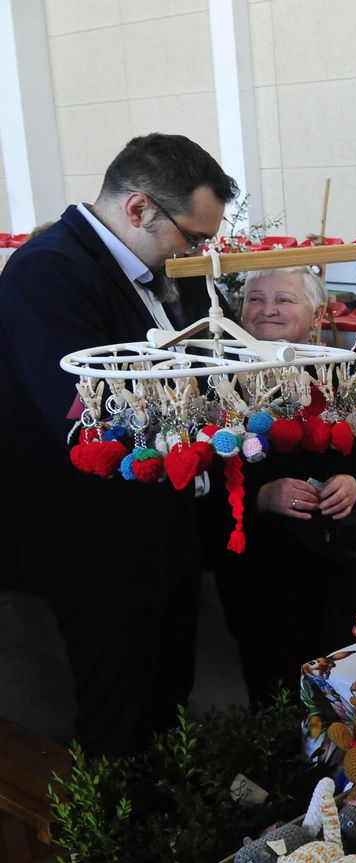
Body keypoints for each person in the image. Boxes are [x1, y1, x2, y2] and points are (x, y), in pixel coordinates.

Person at [0, 134, 237, 755]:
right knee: (117, 710)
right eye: (192, 237)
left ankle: (168, 801)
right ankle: (115, 817)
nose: (196, 252)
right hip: (96, 538)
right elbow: (85, 411)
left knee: (168, 693)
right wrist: (205, 420)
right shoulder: (49, 270)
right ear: (138, 209)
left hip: (162, 525)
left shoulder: (151, 266)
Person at [205, 267, 356, 706]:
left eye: (283, 299)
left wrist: (355, 483)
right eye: (255, 299)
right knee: (276, 693)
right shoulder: (214, 381)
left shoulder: (343, 375)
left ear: (317, 314)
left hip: (344, 569)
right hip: (264, 577)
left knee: (351, 688)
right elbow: (196, 485)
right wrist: (260, 497)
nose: (267, 310)